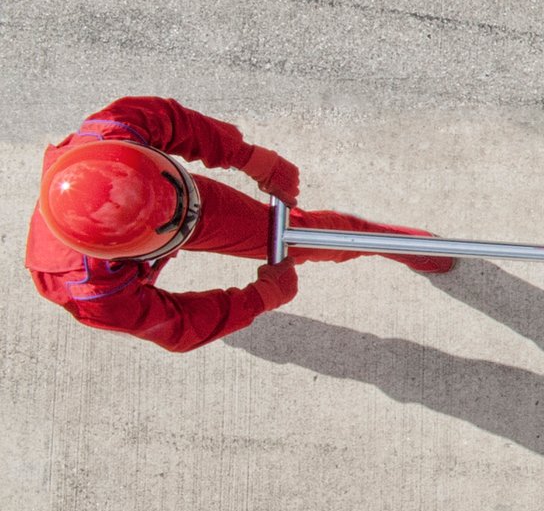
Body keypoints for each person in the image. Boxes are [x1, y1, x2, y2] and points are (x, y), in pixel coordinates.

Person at [28, 99, 449, 354]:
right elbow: (178, 326)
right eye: (180, 228)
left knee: (291, 235)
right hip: (129, 246)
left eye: (189, 208)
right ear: (131, 256)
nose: (192, 220)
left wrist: (249, 157)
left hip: (153, 195)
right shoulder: (94, 294)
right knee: (217, 298)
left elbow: (178, 123)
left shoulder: (114, 132)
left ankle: (380, 240)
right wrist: (256, 300)